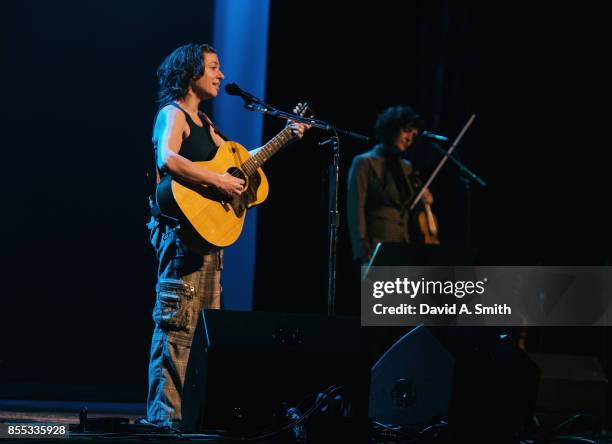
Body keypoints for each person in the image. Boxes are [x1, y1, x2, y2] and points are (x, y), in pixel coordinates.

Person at [146, 43, 307, 427]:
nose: (220, 75)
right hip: (182, 239)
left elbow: (241, 163)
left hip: (209, 240)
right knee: (176, 327)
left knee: (201, 330)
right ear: (190, 73)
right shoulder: (173, 114)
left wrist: (286, 137)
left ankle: (191, 419)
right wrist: (217, 180)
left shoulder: (207, 124)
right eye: (213, 68)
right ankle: (164, 421)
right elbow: (167, 158)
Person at [347, 105, 435, 264]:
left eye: (414, 136)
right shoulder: (364, 163)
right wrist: (362, 255)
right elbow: (355, 210)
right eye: (407, 131)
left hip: (403, 249)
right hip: (375, 250)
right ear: (392, 128)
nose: (409, 139)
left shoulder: (407, 166)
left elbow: (409, 210)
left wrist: (424, 201)